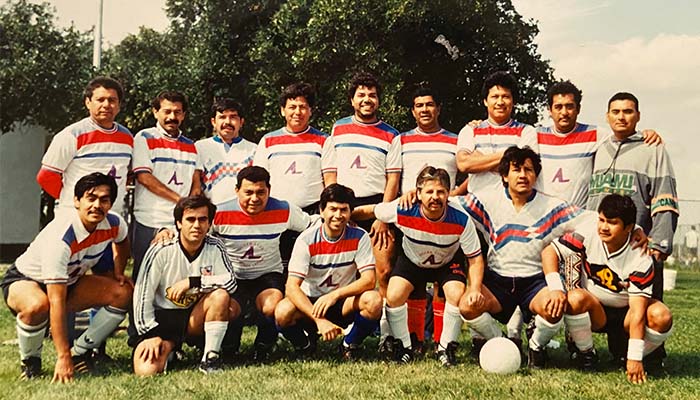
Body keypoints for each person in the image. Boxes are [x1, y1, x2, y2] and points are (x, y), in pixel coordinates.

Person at [456, 146, 585, 368]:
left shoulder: (553, 206)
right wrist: (415, 196)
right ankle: (500, 342)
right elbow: (445, 205)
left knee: (555, 308)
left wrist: (636, 231)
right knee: (468, 306)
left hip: (534, 281)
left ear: (536, 175)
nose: (523, 175)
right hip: (497, 279)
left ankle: (536, 347)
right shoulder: (487, 200)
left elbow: (589, 220)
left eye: (529, 170)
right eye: (516, 169)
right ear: (504, 176)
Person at [1, 173, 132, 382]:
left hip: (70, 280)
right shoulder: (61, 237)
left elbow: (123, 241)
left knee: (123, 291)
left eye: (104, 200)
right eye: (91, 198)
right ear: (76, 201)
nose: (97, 205)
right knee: (39, 305)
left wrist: (118, 271)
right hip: (26, 280)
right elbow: (56, 301)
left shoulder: (114, 222)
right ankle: (31, 361)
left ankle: (80, 353)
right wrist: (61, 357)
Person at [355, 166, 483, 366]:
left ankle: (445, 348)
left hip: (447, 261)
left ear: (448, 194)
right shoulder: (403, 208)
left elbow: (475, 259)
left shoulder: (461, 218)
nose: (435, 197)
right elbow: (370, 210)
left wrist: (474, 288)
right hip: (412, 261)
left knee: (456, 293)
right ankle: (404, 347)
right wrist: (345, 218)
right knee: (394, 294)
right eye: (429, 191)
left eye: (441, 192)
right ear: (418, 193)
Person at [587, 92, 678, 367]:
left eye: (628, 111)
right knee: (603, 301)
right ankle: (592, 350)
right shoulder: (600, 147)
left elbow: (664, 197)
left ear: (638, 116)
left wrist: (660, 243)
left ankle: (650, 356)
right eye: (615, 111)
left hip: (639, 246)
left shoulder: (653, 148)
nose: (621, 117)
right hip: (602, 247)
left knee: (646, 306)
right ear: (607, 116)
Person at [546, 194, 672, 383]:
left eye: (612, 223)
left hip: (627, 314)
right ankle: (587, 354)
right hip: (596, 310)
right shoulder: (588, 233)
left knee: (661, 316)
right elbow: (550, 252)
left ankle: (631, 358)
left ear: (629, 228)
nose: (604, 227)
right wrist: (556, 287)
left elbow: (637, 312)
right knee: (574, 298)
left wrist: (635, 357)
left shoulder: (640, 257)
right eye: (602, 220)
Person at [210, 166, 318, 360]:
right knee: (229, 309)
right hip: (233, 276)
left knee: (271, 306)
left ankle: (264, 346)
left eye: (261, 192)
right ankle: (229, 347)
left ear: (269, 190)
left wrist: (339, 223)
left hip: (267, 275)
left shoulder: (283, 209)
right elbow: (196, 231)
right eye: (248, 192)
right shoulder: (219, 213)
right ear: (237, 191)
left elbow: (311, 223)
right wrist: (164, 232)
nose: (254, 198)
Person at [132, 195, 240, 375]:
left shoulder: (215, 246)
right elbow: (142, 295)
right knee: (147, 371)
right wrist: (150, 334)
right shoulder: (162, 249)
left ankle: (210, 358)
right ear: (179, 223)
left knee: (222, 297)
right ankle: (171, 347)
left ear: (209, 223)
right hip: (163, 320)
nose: (196, 225)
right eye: (190, 219)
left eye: (202, 219)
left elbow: (230, 282)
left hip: (194, 316)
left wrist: (193, 282)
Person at [397, 85, 468, 353]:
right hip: (411, 216)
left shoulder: (455, 139)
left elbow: (468, 169)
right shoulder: (401, 139)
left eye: (430, 104)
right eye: (419, 106)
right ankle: (415, 339)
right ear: (413, 111)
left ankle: (441, 341)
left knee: (444, 279)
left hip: (444, 216)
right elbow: (393, 174)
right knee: (412, 278)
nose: (425, 110)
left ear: (438, 108)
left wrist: (454, 194)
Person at [275, 184, 382, 361]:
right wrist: (319, 320)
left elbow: (369, 280)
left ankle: (349, 344)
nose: (338, 215)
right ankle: (305, 346)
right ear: (322, 210)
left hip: (341, 302)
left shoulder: (360, 236)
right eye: (332, 209)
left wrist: (334, 295)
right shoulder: (306, 239)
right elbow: (291, 287)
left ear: (350, 212)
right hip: (311, 304)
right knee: (282, 311)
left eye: (343, 210)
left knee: (374, 300)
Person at [536, 80, 662, 207]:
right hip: (544, 219)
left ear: (578, 109)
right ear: (549, 110)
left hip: (579, 220)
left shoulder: (596, 135)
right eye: (558, 107)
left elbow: (622, 136)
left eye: (569, 106)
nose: (564, 112)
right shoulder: (535, 136)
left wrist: (646, 134)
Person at [253, 82, 336, 265]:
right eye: (292, 107)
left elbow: (330, 180)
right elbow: (258, 181)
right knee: (279, 267)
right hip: (276, 213)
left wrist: (328, 210)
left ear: (310, 110)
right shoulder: (268, 140)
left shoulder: (324, 140)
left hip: (312, 214)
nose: (297, 112)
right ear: (283, 110)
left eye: (302, 107)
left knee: (312, 265)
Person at [36, 77, 133, 218]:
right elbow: (46, 176)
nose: (106, 105)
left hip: (111, 218)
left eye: (112, 100)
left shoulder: (127, 137)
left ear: (119, 105)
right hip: (76, 217)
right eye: (100, 100)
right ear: (88, 102)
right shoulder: (72, 135)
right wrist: (75, 200)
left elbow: (126, 175)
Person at [131, 90, 199, 284]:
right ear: (155, 112)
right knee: (144, 279)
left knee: (175, 278)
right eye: (167, 111)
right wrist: (180, 200)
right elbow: (144, 177)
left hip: (181, 222)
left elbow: (195, 181)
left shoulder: (191, 145)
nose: (172, 117)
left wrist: (190, 205)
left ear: (183, 115)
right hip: (149, 220)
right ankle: (139, 316)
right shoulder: (144, 138)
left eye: (177, 112)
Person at [456, 71, 537, 200]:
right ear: (485, 101)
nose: (500, 102)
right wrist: (510, 156)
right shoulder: (470, 130)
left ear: (513, 101)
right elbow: (464, 165)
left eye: (505, 96)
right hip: (476, 208)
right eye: (495, 96)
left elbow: (523, 169)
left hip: (513, 205)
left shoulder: (527, 131)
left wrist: (479, 159)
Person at [193, 98, 257, 205]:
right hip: (211, 215)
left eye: (233, 117)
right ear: (213, 122)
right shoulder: (200, 147)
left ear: (241, 122)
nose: (227, 122)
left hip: (242, 215)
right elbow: (195, 187)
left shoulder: (254, 150)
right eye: (222, 117)